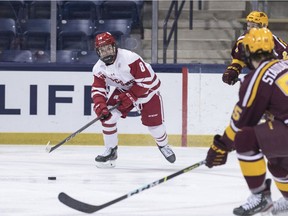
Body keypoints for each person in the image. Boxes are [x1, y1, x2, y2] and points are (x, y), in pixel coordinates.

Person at [205, 28, 288, 215]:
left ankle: (260, 197)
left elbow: (240, 123)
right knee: (277, 161)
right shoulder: (285, 66)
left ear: (247, 52)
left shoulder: (258, 76)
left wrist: (221, 146)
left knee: (245, 138)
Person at [91, 32, 176, 168]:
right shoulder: (98, 68)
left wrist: (131, 95)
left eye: (108, 48)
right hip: (124, 90)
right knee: (107, 117)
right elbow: (98, 89)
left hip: (146, 90)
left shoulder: (129, 58)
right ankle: (111, 151)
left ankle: (163, 145)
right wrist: (100, 105)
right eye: (102, 50)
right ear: (97, 52)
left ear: (114, 47)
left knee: (155, 126)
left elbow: (147, 80)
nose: (106, 52)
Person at [222, 10, 288, 85]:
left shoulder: (274, 43)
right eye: (248, 26)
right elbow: (238, 60)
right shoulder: (243, 40)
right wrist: (233, 70)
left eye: (253, 26)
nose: (249, 29)